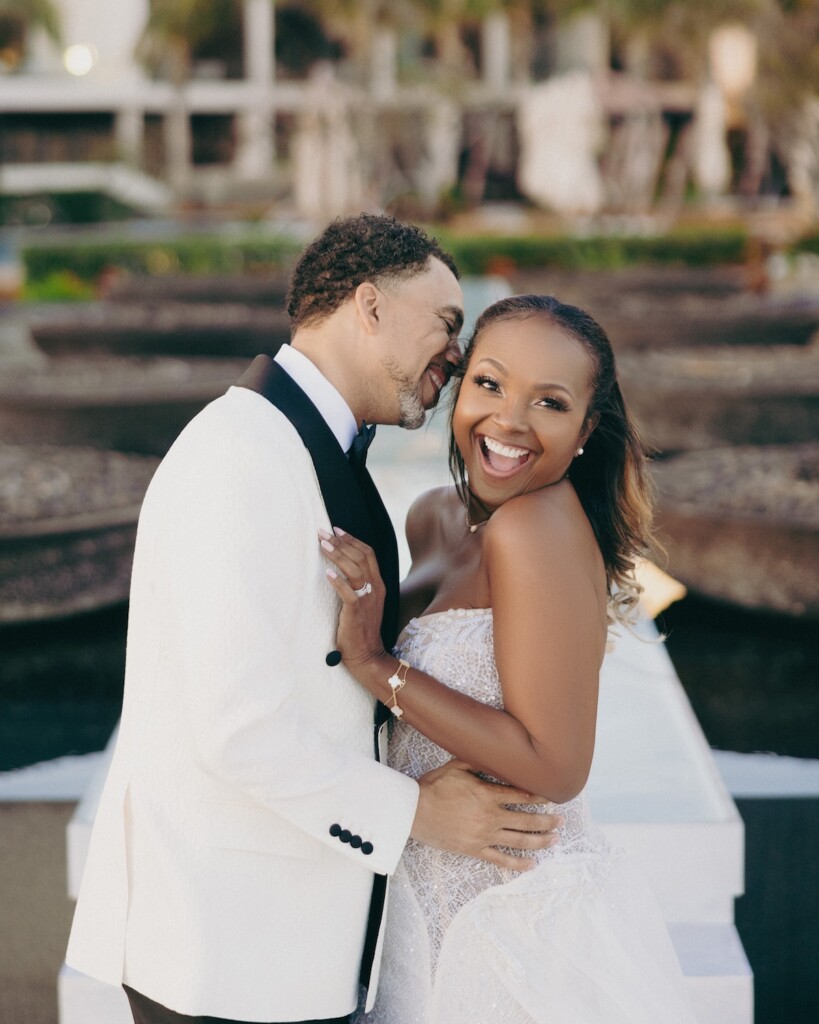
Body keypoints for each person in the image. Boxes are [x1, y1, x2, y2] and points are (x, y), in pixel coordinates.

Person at [65, 218, 562, 1024]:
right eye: (444, 322)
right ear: (368, 306)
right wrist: (415, 812)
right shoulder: (240, 457)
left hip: (281, 940)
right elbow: (239, 729)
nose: (456, 355)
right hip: (224, 952)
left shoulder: (306, 447)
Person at [319, 294, 699, 1023]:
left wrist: (374, 663)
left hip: (512, 933)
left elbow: (555, 766)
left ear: (586, 430)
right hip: (424, 911)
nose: (509, 421)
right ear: (458, 387)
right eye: (489, 384)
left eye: (549, 403)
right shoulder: (432, 517)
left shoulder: (534, 526)